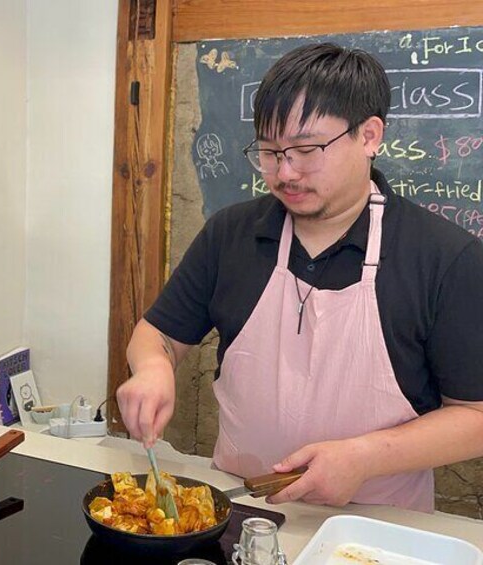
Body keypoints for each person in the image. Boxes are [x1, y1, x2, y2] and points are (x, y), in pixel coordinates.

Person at [117, 43, 483, 513]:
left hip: (378, 528)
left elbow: (475, 415)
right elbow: (159, 335)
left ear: (369, 136)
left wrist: (364, 456)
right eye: (269, 152)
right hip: (241, 510)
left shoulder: (444, 256)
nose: (285, 172)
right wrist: (153, 369)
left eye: (306, 150)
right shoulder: (231, 234)